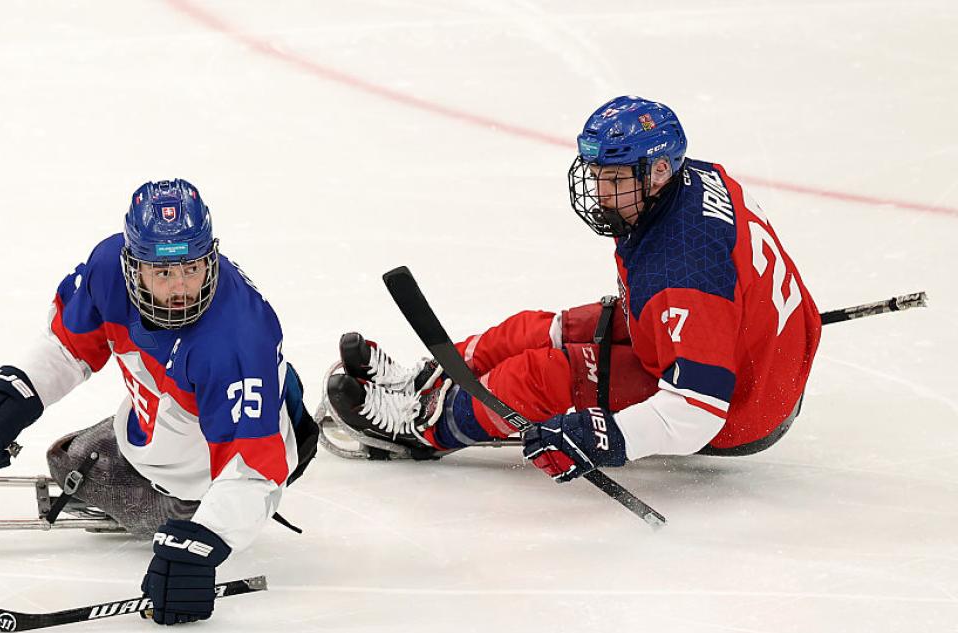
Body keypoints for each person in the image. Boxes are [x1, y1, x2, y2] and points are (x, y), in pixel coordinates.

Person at [326, 95, 821, 485]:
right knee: (537, 329)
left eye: (615, 180)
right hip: (751, 346)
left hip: (745, 403)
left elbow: (697, 410)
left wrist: (605, 436)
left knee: (537, 377)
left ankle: (421, 430)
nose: (601, 193)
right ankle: (426, 381)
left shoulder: (682, 273)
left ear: (660, 171)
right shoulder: (698, 180)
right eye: (597, 176)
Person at [0, 179, 317, 625]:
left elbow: (254, 467)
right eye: (164, 273)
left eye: (193, 268)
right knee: (76, 458)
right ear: (133, 267)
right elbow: (68, 346)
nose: (182, 287)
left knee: (80, 467)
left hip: (237, 443)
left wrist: (204, 542)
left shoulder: (234, 340)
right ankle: (171, 458)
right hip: (183, 411)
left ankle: (188, 499)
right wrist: (15, 393)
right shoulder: (107, 270)